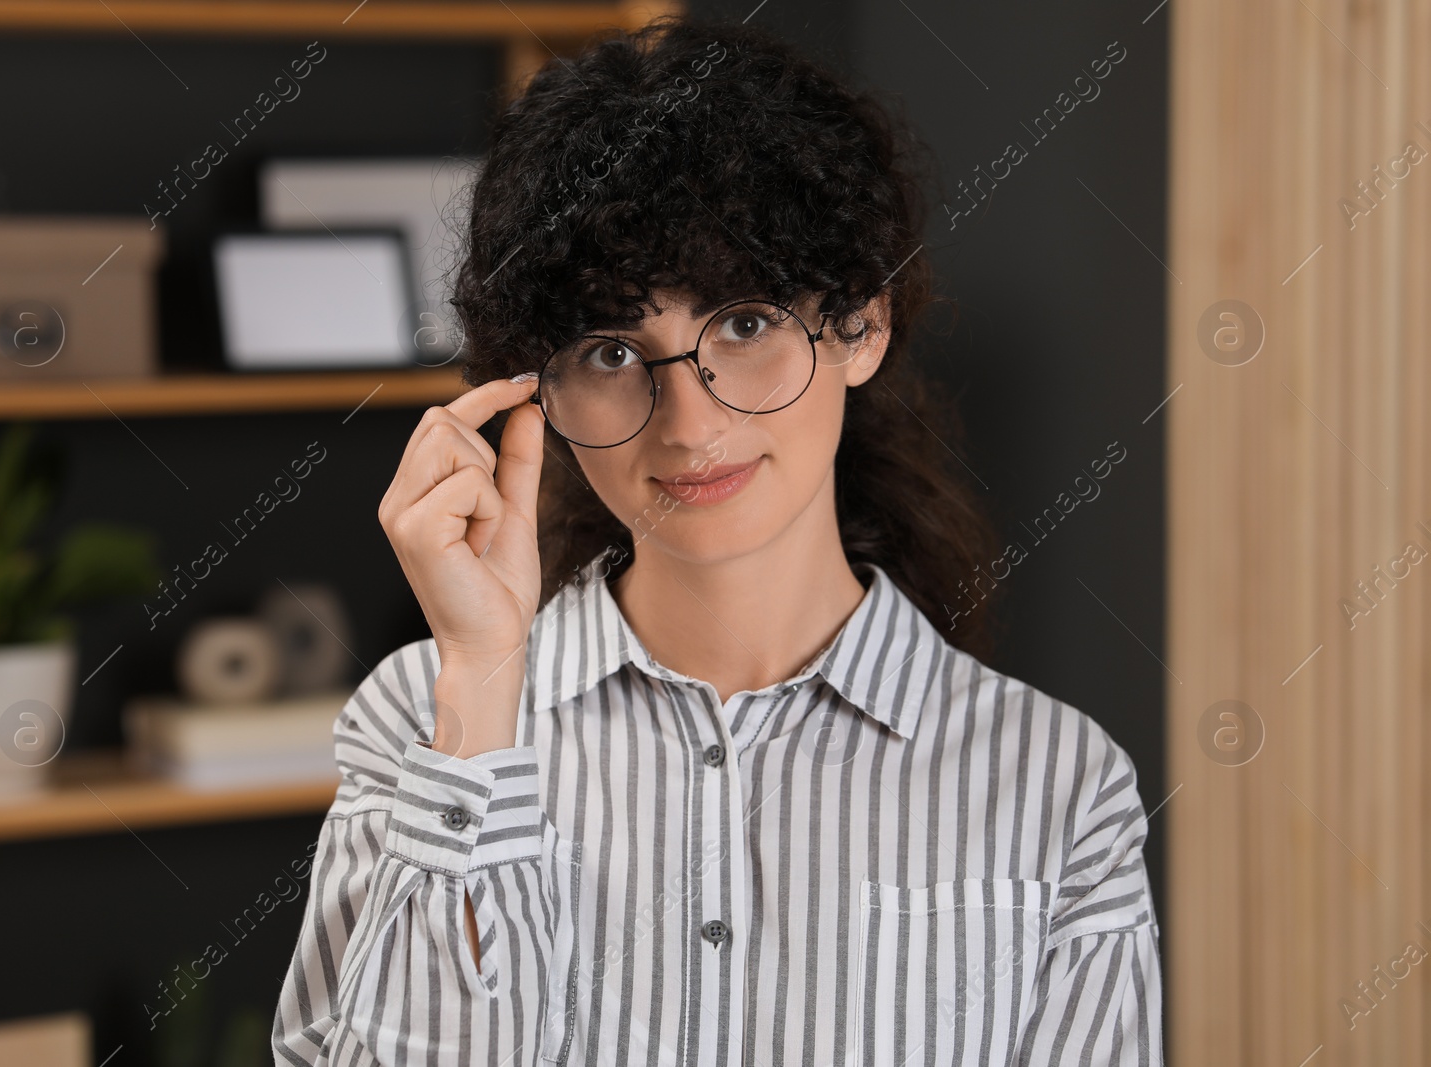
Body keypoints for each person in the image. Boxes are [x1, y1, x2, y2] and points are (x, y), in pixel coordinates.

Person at [273, 14, 1161, 1065]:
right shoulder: (416, 726)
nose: (687, 424)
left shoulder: (1056, 782)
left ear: (859, 324)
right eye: (611, 349)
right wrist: (481, 687)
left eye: (742, 324)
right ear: (532, 388)